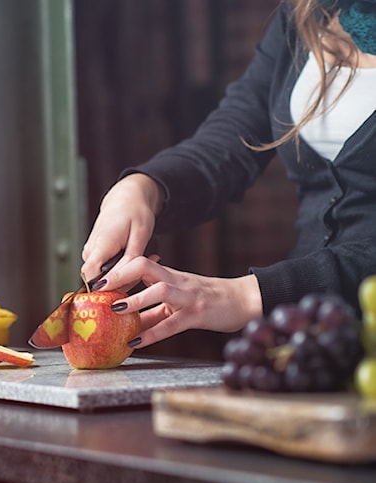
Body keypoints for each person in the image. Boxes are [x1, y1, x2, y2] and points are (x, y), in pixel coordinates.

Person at [81, 0, 376, 350]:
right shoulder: (307, 12)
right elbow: (235, 134)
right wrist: (143, 187)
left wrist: (251, 294)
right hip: (304, 342)